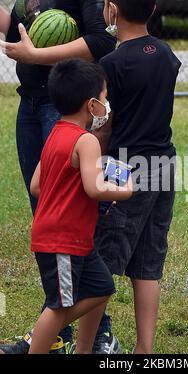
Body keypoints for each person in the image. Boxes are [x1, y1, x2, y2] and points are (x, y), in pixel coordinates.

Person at [0, 1, 120, 354]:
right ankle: (54, 328)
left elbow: (101, 40)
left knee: (76, 216)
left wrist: (35, 56)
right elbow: (16, 36)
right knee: (49, 214)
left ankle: (94, 333)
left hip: (62, 106)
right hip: (32, 102)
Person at [90, 0, 181, 354]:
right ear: (154, 6)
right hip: (166, 163)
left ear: (111, 8)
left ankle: (87, 345)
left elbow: (105, 126)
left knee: (103, 260)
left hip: (125, 168)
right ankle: (145, 349)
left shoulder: (111, 63)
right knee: (148, 262)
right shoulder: (166, 53)